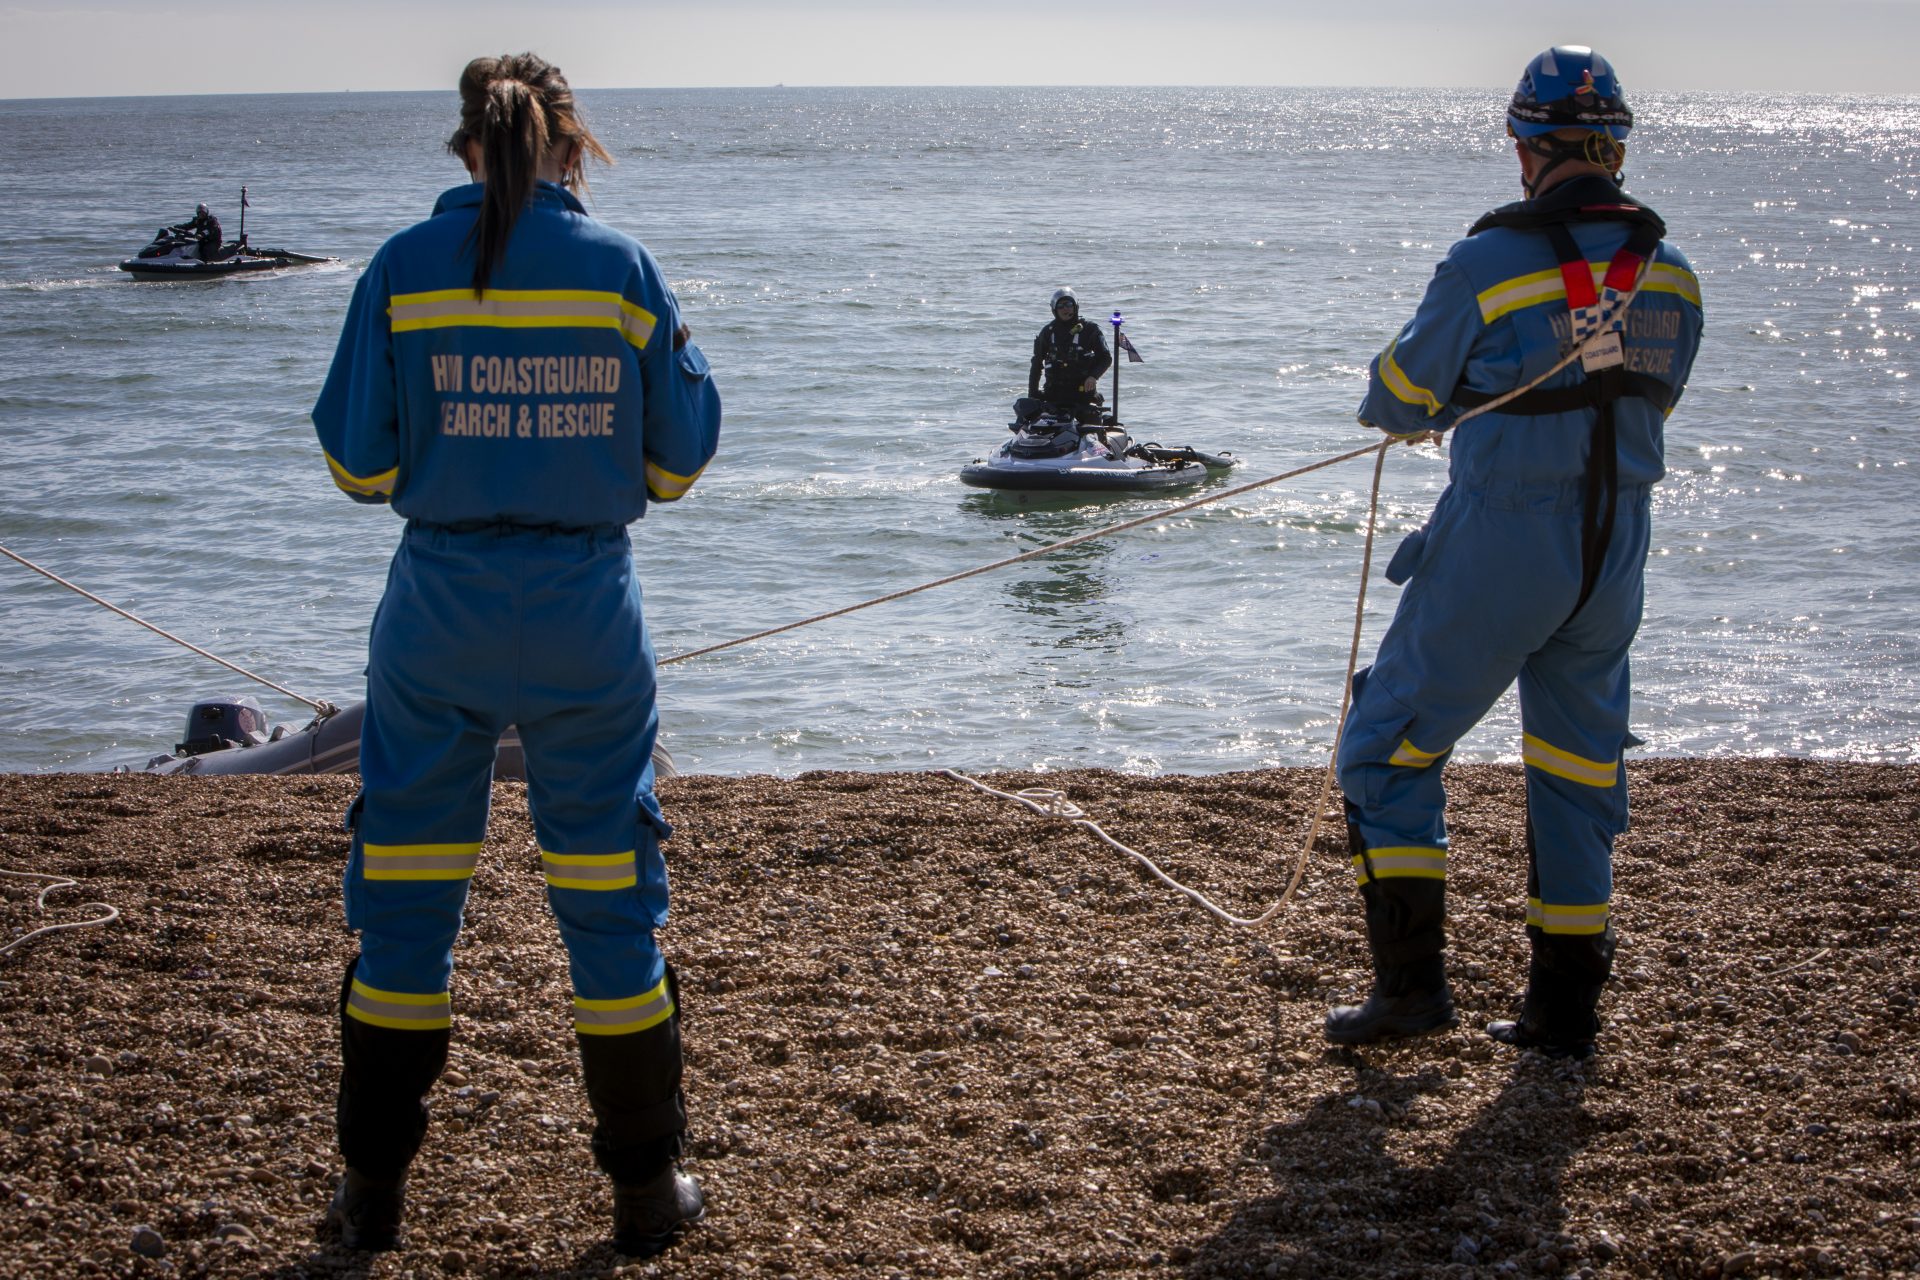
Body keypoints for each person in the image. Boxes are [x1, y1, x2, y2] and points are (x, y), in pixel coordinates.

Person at [309, 52, 721, 1255]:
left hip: (439, 610)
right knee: (607, 904)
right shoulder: (622, 271)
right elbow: (679, 460)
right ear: (567, 146)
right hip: (589, 614)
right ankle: (646, 1193)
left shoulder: (400, 268)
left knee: (405, 909)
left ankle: (371, 1193)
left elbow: (357, 464)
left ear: (468, 148)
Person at [1324, 46, 1703, 1059]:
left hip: (1505, 536)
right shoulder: (1675, 274)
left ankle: (1411, 994)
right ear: (1616, 147)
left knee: (1382, 748)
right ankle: (1562, 1015)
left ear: (1526, 149)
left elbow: (1395, 397)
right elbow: (1648, 391)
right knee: (1578, 772)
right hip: (1617, 546)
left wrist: (1461, 399)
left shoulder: (1484, 261)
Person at [1014, 286, 1112, 425]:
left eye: (1069, 304)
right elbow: (1036, 363)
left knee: (1092, 427)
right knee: (1028, 423)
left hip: (1082, 396)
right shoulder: (1048, 332)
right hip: (1054, 396)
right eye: (1061, 306)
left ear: (1075, 306)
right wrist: (1033, 396)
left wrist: (1093, 376)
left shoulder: (1090, 330)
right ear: (1054, 309)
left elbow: (1105, 358)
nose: (1066, 309)